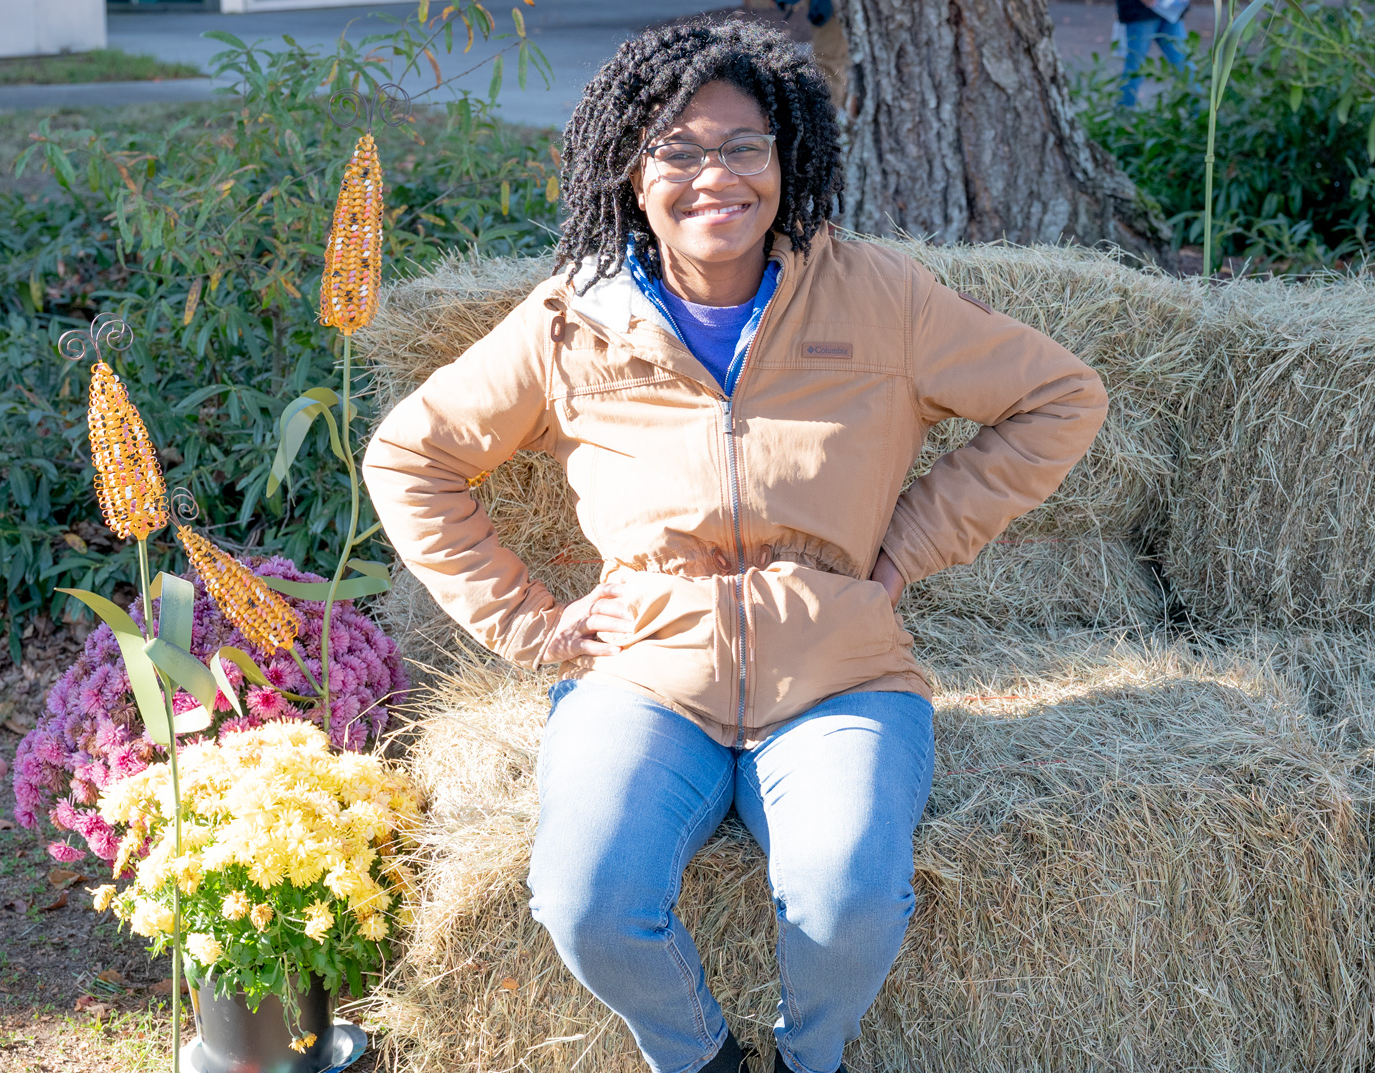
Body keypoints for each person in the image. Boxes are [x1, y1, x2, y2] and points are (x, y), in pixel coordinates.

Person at [364, 18, 1107, 1073]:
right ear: (629, 169)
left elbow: (1058, 395)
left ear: (784, 154)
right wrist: (530, 621)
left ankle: (812, 1057)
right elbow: (409, 457)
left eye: (741, 146)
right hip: (643, 675)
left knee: (850, 893)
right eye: (676, 149)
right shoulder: (570, 321)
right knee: (585, 900)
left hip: (838, 671)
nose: (713, 174)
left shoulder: (876, 295)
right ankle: (701, 1059)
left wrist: (904, 547)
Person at [1116, 0, 1194, 109]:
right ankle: (1124, 113)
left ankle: (1201, 112)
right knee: (1136, 65)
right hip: (1147, 10)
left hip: (1166, 8)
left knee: (1182, 61)